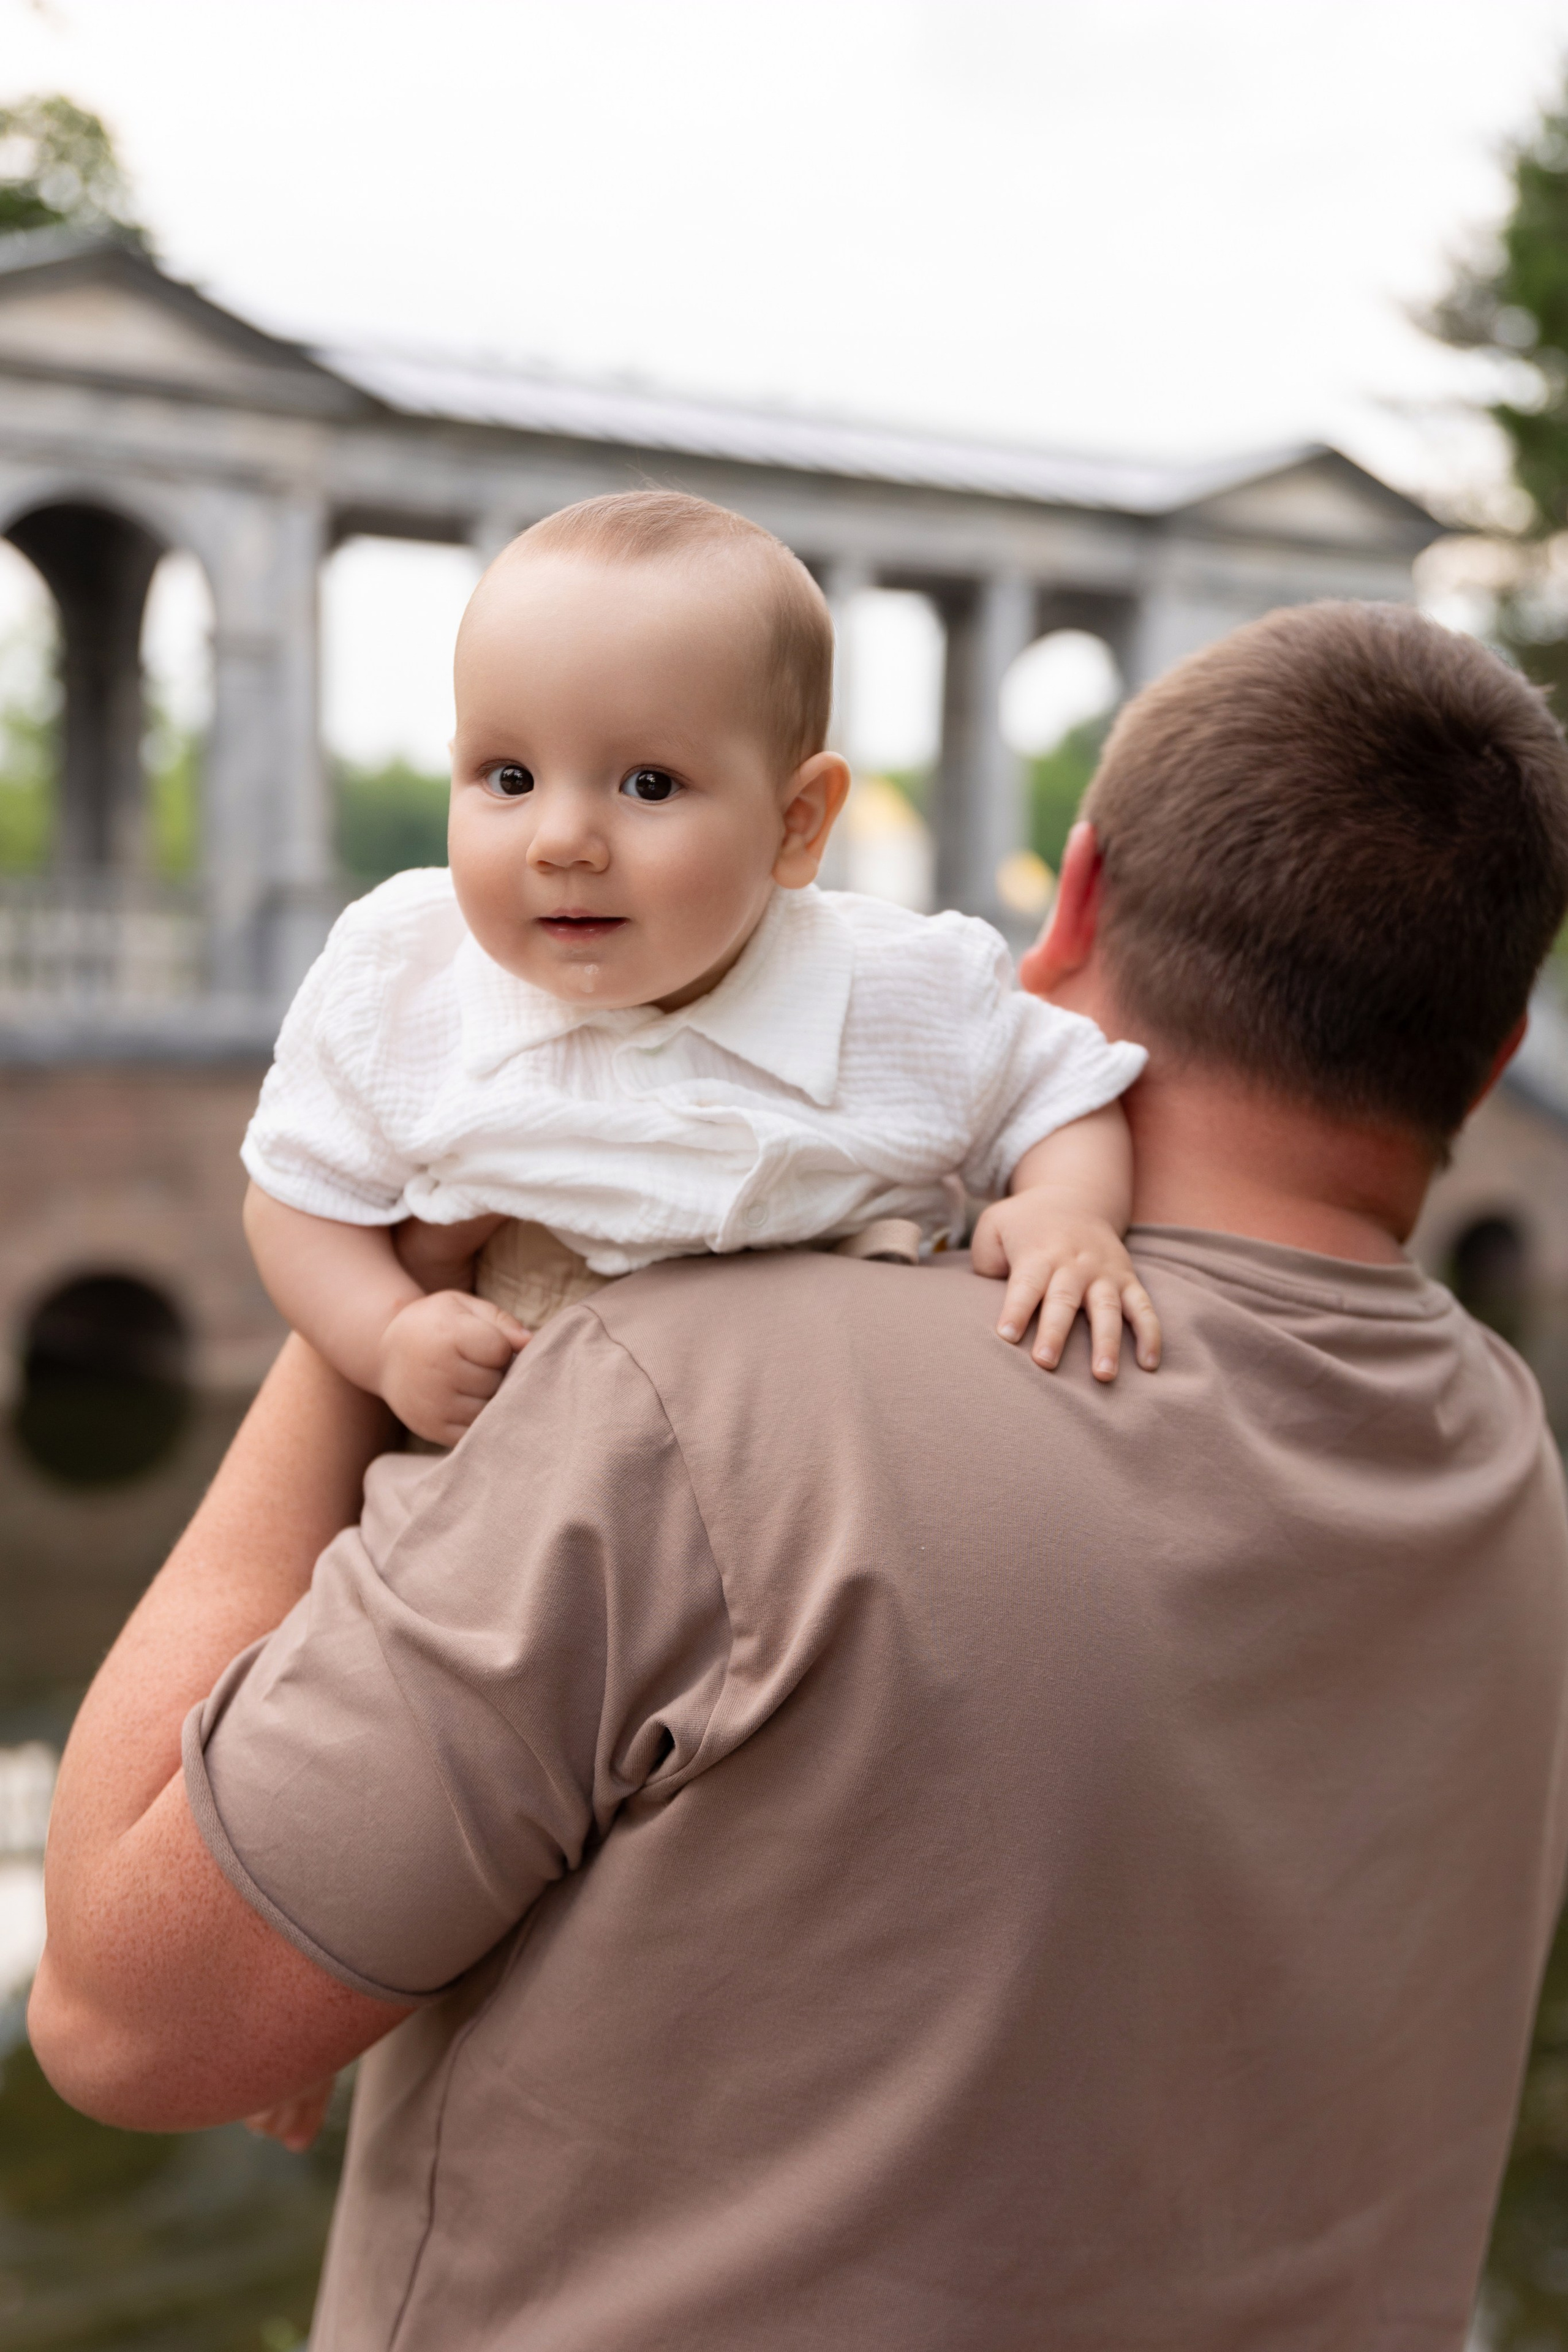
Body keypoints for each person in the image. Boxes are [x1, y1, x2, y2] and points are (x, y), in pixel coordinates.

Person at [29, 599, 1568, 2352]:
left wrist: (372, 1306)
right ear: (1498, 1047)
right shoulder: (1509, 1458)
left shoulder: (706, 1400)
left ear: (1072, 902)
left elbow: (126, 2020)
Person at [241, 489, 1158, 1449]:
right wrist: (386, 1331)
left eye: (649, 785)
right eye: (508, 778)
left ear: (797, 823)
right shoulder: (407, 976)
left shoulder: (903, 988)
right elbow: (297, 1198)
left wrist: (1064, 1209)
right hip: (513, 1455)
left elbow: (1066, 1088)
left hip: (829, 1454)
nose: (560, 842)